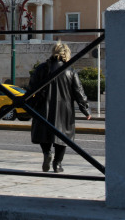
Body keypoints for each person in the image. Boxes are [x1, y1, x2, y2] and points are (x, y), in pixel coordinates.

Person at [27, 42, 91, 173]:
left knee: (44, 133)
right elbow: (79, 92)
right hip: (64, 111)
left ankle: (46, 153)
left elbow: (30, 88)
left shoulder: (41, 69)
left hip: (43, 108)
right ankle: (57, 164)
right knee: (63, 137)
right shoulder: (70, 72)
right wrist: (86, 109)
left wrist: (27, 104)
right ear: (66, 54)